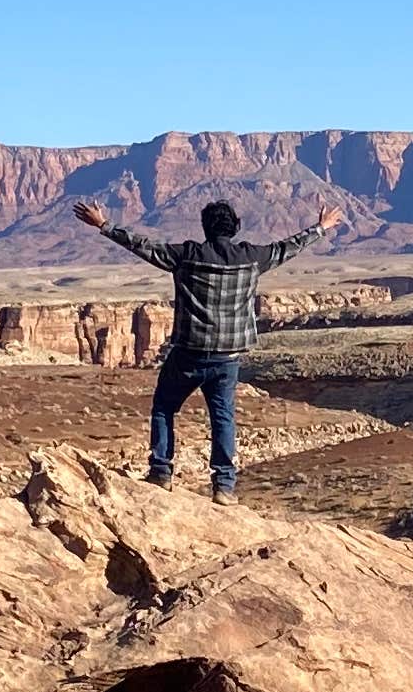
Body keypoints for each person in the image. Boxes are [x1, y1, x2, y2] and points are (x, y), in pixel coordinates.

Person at [75, 193, 343, 497]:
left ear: (204, 227)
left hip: (189, 352)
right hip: (228, 356)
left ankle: (161, 472)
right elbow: (287, 248)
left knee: (164, 407)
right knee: (223, 417)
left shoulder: (187, 254)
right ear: (235, 227)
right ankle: (224, 486)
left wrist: (104, 225)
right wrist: (321, 227)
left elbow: (143, 246)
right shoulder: (251, 257)